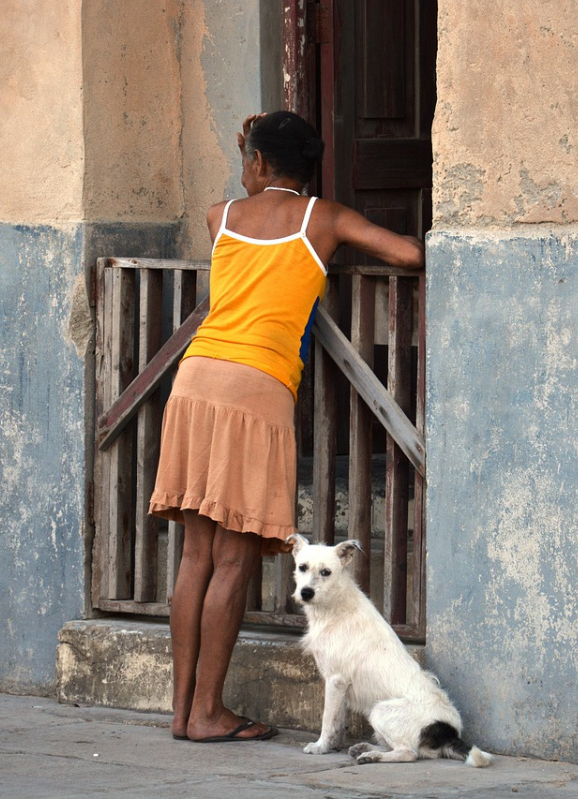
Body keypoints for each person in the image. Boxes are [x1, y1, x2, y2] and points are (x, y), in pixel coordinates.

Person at [149, 111, 424, 743]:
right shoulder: (321, 219)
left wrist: (254, 141)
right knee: (233, 560)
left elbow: (246, 194)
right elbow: (407, 252)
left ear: (260, 164)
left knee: (195, 555)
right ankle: (209, 714)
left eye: (247, 156)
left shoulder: (221, 217)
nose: (242, 167)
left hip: (195, 381)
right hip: (257, 389)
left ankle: (182, 712)